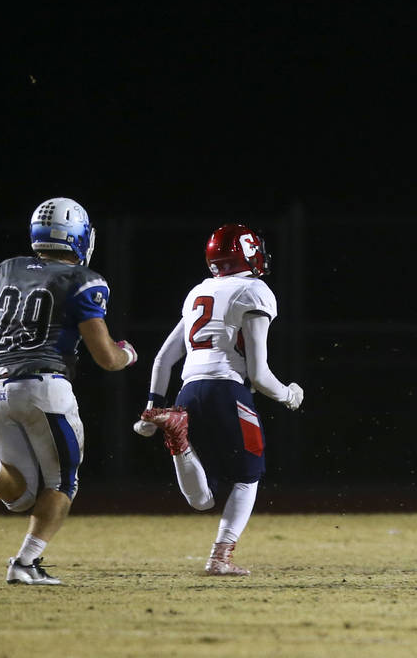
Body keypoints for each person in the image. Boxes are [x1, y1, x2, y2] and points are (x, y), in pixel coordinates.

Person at [0, 197, 138, 585]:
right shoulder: (83, 280)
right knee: (62, 484)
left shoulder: (9, 269)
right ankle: (24, 563)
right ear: (79, 236)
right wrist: (128, 355)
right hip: (45, 386)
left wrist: (2, 375)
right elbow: (105, 357)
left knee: (20, 496)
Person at [137, 223, 303, 576]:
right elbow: (259, 374)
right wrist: (289, 395)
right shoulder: (254, 290)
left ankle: (178, 439)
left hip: (187, 392)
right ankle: (220, 558)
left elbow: (163, 359)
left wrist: (153, 407)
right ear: (248, 253)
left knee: (202, 500)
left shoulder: (199, 291)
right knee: (248, 477)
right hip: (227, 390)